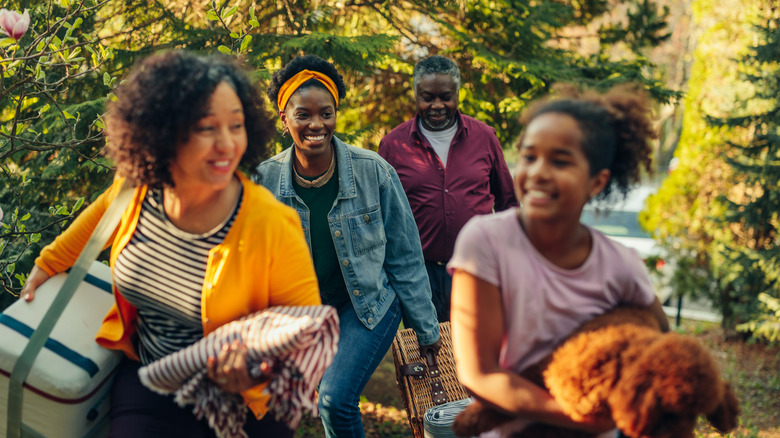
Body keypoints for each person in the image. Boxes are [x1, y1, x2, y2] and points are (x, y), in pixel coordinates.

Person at [20, 50, 322, 438]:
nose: (228, 144)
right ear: (163, 131)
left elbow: (307, 333)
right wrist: (45, 266)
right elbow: (86, 233)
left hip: (246, 406)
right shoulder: (133, 191)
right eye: (206, 128)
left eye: (236, 125)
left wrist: (254, 368)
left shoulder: (269, 221)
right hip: (152, 384)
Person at [449, 84, 671, 437]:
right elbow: (480, 373)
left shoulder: (621, 265)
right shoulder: (486, 242)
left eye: (560, 161)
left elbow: (662, 340)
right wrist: (581, 417)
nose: (537, 172)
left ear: (597, 182)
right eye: (529, 156)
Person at [255, 54, 441, 438]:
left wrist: (426, 331)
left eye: (326, 113)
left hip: (368, 306)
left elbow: (406, 258)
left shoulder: (374, 171)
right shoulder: (263, 182)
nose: (316, 124)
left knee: (335, 399)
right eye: (303, 114)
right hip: (302, 317)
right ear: (284, 118)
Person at [378, 55, 517, 323]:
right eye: (428, 97)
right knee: (424, 355)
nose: (437, 105)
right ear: (416, 94)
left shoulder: (484, 137)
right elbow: (380, 215)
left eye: (446, 96)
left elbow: (508, 203)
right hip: (416, 276)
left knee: (474, 352)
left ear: (457, 94)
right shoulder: (393, 145)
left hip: (476, 269)